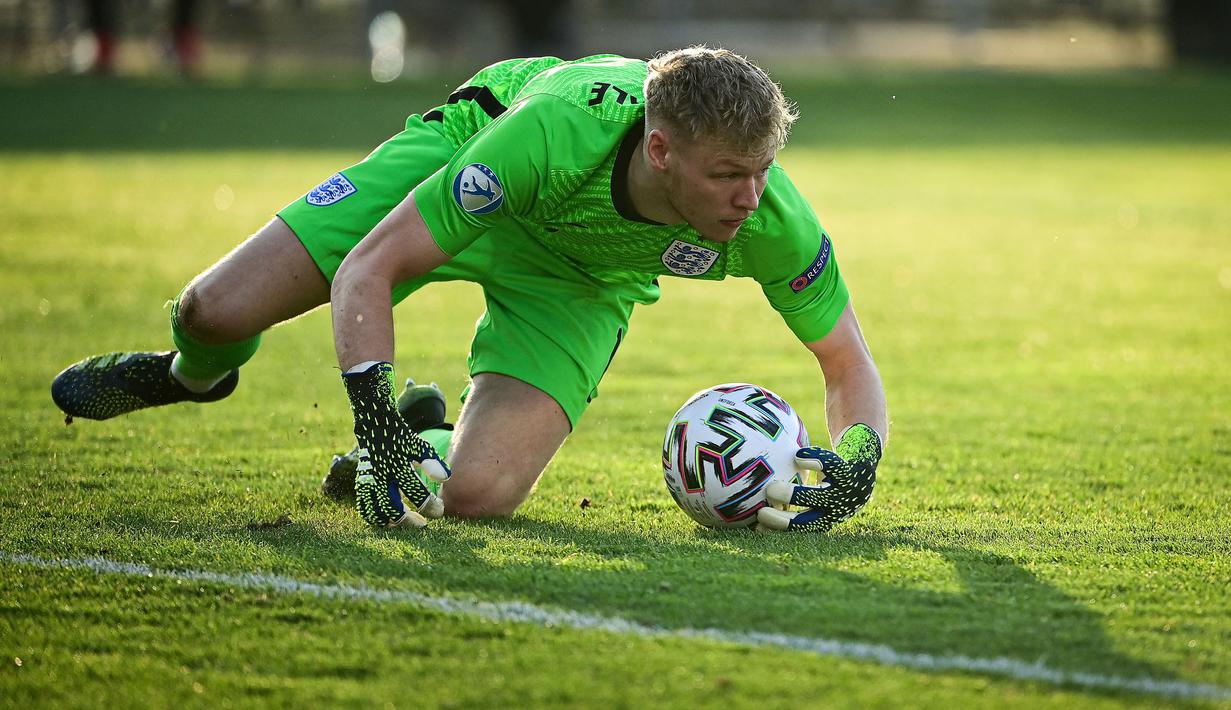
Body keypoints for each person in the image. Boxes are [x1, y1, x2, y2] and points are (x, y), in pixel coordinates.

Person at [51, 47, 888, 532]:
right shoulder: (550, 135)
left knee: (476, 496)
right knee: (214, 310)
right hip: (467, 173)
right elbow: (370, 269)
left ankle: (424, 439)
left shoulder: (772, 217)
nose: (750, 198)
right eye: (728, 175)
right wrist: (369, 412)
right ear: (661, 151)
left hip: (581, 276)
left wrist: (857, 460)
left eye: (762, 171)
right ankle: (188, 375)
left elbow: (845, 361)